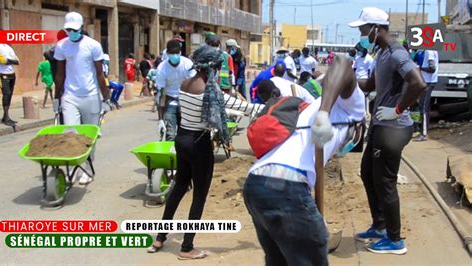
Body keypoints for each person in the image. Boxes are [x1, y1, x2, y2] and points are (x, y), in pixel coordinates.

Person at [244, 55, 366, 266]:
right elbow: (342, 63)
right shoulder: (354, 107)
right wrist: (325, 114)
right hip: (286, 187)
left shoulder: (307, 108)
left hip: (256, 184)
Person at [147, 45, 263, 259]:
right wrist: (270, 106)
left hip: (181, 139)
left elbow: (211, 108)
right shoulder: (210, 91)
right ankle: (187, 247)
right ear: (212, 67)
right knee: (199, 196)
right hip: (200, 144)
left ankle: (160, 237)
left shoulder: (185, 84)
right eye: (218, 67)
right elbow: (244, 107)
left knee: (179, 187)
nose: (219, 71)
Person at [349, 7, 427, 254]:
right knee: (367, 172)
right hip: (380, 125)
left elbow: (419, 83)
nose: (362, 35)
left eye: (363, 30)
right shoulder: (381, 53)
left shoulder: (396, 53)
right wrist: (346, 80)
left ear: (375, 28)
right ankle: (379, 226)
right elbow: (370, 84)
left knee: (385, 181)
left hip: (393, 127)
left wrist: (398, 109)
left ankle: (395, 240)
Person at [53, 11, 111, 184]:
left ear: (81, 27)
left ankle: (87, 168)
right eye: (68, 30)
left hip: (91, 95)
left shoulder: (93, 45)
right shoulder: (62, 46)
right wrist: (57, 98)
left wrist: (106, 98)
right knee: (71, 133)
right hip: (70, 96)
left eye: (74, 29)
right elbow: (60, 74)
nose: (72, 32)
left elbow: (100, 74)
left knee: (89, 136)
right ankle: (73, 166)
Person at [156, 40, 197, 141]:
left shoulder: (187, 64)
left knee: (186, 132)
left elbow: (194, 83)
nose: (174, 55)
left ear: (180, 53)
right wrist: (160, 119)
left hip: (186, 99)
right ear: (167, 53)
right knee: (171, 134)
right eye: (171, 53)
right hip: (171, 101)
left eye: (176, 53)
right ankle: (171, 156)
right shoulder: (162, 68)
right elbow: (160, 94)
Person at [415, 50, 438, 141]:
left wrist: (420, 68)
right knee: (425, 107)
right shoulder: (429, 51)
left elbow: (432, 68)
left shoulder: (429, 52)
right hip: (428, 81)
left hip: (428, 81)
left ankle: (423, 134)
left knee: (423, 107)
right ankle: (423, 131)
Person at [0, 40, 19, 126]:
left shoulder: (8, 47)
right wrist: (11, 61)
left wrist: (9, 60)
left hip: (12, 74)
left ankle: (5, 116)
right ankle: (6, 117)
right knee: (6, 94)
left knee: (10, 95)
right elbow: (2, 61)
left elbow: (17, 60)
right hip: (2, 74)